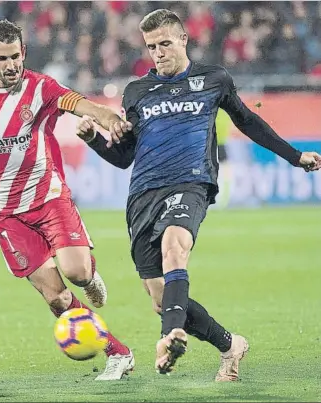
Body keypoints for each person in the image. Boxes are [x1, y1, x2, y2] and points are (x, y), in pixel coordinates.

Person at [75, 9, 321, 381]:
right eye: (151, 47)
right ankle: (229, 344)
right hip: (143, 195)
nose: (158, 53)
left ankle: (169, 337)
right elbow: (124, 158)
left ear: (184, 39)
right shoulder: (137, 92)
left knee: (176, 246)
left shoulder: (213, 79)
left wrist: (295, 156)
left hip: (191, 183)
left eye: (165, 44)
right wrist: (93, 138)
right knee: (161, 299)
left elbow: (248, 121)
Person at [0, 19, 135, 381]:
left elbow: (80, 104)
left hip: (48, 197)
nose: (11, 65)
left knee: (77, 272)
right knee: (56, 299)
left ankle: (90, 274)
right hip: (5, 213)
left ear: (24, 54)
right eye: (2, 58)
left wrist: (107, 117)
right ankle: (119, 354)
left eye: (16, 56)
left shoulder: (40, 88)